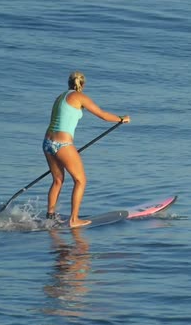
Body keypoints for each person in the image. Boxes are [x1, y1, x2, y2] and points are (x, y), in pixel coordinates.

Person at [43, 71, 130, 228]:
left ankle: (49, 217)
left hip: (47, 143)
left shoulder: (59, 98)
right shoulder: (79, 97)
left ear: (69, 83)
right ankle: (74, 220)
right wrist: (121, 118)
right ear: (82, 85)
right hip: (63, 144)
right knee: (80, 180)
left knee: (57, 180)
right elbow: (102, 115)